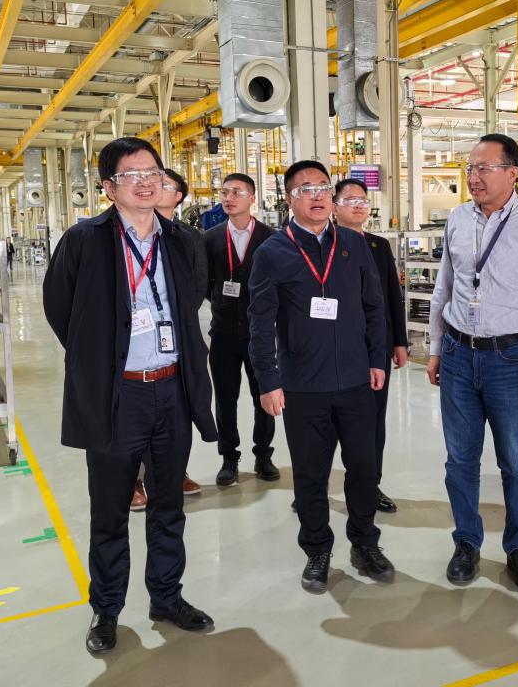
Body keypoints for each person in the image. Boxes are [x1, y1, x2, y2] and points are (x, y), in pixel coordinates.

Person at [43, 136, 218, 654]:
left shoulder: (181, 240)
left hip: (171, 388)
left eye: (153, 173)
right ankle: (107, 610)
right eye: (131, 175)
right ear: (109, 187)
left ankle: (167, 597)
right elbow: (60, 308)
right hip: (118, 395)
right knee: (111, 510)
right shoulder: (85, 240)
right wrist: (102, 358)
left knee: (169, 505)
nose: (145, 183)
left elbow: (191, 300)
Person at [426, 133, 518, 592]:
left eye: (484, 168)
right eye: (470, 168)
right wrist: (435, 346)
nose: (474, 177)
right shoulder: (457, 219)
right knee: (460, 459)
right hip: (458, 354)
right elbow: (445, 287)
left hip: (513, 358)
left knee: (517, 460)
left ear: (512, 173)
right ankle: (466, 542)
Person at [248, 160, 393, 593]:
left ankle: (365, 542)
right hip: (303, 385)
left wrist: (377, 360)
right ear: (289, 199)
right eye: (304, 189)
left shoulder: (352, 244)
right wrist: (268, 381)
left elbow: (374, 306)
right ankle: (317, 549)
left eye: (322, 188)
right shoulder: (273, 251)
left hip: (356, 380)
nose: (316, 196)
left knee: (364, 468)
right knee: (311, 474)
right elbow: (260, 323)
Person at [130, 168, 206, 510]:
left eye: (166, 185)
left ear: (178, 196)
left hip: (175, 340)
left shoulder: (188, 237)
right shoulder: (124, 232)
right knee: (135, 421)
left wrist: (174, 316)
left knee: (177, 415)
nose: (156, 187)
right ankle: (135, 480)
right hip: (133, 343)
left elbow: (198, 285)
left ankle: (177, 472)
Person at [333, 178, 409, 513]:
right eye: (350, 199)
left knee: (373, 418)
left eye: (363, 200)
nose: (359, 205)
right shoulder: (323, 244)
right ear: (334, 206)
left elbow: (393, 295)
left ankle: (370, 485)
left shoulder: (379, 246)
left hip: (375, 346)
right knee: (328, 421)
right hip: (335, 346)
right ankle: (314, 484)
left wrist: (399, 341)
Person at [203, 173, 278, 486]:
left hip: (260, 334)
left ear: (252, 198)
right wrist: (222, 302)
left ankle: (263, 455)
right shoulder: (210, 238)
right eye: (224, 192)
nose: (228, 198)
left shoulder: (271, 238)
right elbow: (204, 283)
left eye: (236, 192)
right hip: (223, 333)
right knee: (225, 398)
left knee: (265, 395)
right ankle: (229, 458)